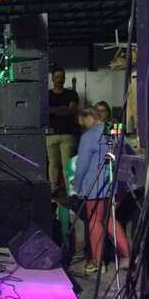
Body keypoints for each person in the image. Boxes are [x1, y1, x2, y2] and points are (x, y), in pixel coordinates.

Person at [74, 108, 131, 273]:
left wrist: (77, 186)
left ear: (88, 117)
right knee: (109, 220)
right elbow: (129, 152)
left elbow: (82, 165)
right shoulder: (114, 128)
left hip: (95, 185)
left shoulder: (88, 136)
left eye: (83, 123)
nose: (84, 127)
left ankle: (97, 263)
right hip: (116, 185)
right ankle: (128, 255)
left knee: (95, 221)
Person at [47, 67, 79, 195]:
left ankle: (70, 191)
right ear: (52, 78)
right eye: (57, 77)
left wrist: (53, 110)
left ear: (64, 78)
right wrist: (63, 108)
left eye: (61, 77)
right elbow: (45, 111)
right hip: (50, 135)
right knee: (53, 163)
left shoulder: (71, 94)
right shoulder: (47, 94)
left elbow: (72, 110)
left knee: (68, 164)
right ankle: (53, 188)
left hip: (67, 134)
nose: (59, 80)